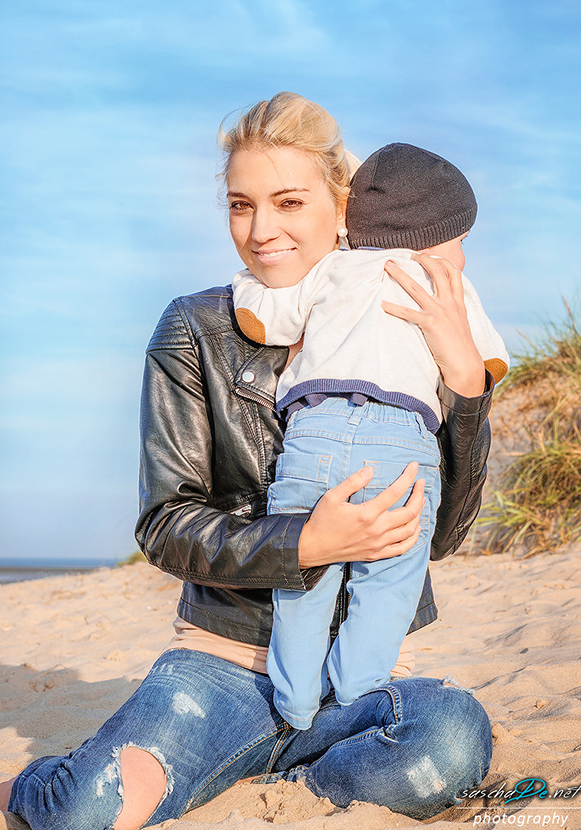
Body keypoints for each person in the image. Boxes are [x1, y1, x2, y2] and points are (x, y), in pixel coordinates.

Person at [1, 93, 495, 830]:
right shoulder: (196, 326)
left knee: (449, 741)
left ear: (340, 206)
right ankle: (30, 781)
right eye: (240, 205)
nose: (261, 231)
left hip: (359, 680)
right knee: (83, 813)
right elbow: (167, 523)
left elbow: (443, 534)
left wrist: (464, 388)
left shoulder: (412, 312)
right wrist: (307, 543)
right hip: (223, 665)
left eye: (288, 202)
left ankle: (294, 775)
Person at [232, 141, 509, 730]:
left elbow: (265, 317)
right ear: (433, 235)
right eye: (461, 237)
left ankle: (296, 705)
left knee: (303, 584)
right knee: (389, 579)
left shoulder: (331, 268)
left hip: (315, 433)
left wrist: (246, 283)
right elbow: (485, 366)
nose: (463, 252)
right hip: (401, 442)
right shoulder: (447, 286)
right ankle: (355, 699)